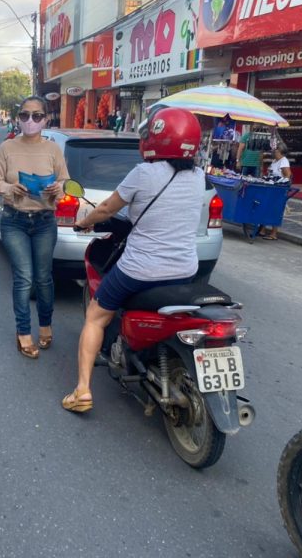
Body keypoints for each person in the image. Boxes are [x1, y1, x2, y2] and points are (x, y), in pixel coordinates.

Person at [61, 108, 205, 413]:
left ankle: (82, 390)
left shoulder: (144, 173)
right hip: (185, 270)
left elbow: (107, 210)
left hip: (139, 271)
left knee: (95, 315)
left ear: (156, 138)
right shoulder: (199, 175)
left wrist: (83, 222)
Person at [0, 95, 69, 359]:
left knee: (44, 278)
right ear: (18, 118)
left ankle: (45, 324)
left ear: (45, 119)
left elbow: (65, 181)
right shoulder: (7, 148)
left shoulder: (54, 149)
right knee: (24, 278)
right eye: (25, 115)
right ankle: (23, 331)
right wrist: (10, 188)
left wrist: (59, 187)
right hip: (15, 220)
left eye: (36, 116)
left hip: (45, 221)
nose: (30, 121)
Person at [260, 144, 292, 240]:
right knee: (266, 207)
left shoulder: (284, 161)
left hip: (278, 189)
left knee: (276, 210)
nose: (274, 152)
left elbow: (287, 175)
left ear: (280, 152)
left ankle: (274, 233)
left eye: (276, 150)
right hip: (271, 187)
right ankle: (262, 229)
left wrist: (280, 182)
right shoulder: (275, 161)